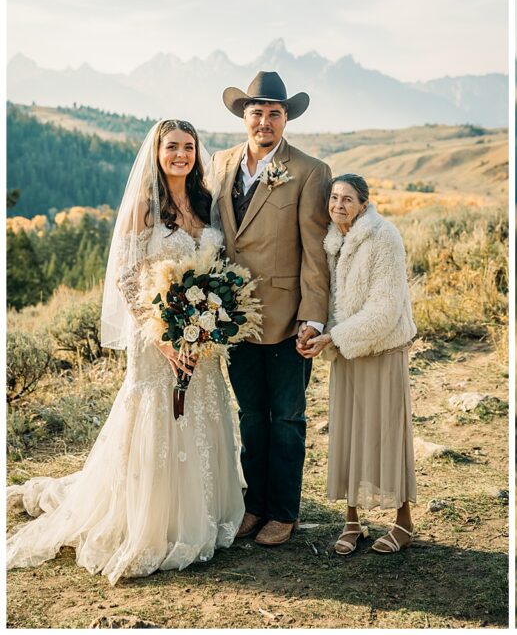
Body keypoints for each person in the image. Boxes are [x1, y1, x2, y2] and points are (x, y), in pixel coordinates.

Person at [6, 119, 245, 584]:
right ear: (157, 153)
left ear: (198, 153)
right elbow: (127, 276)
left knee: (203, 411)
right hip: (154, 336)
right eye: (172, 147)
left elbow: (213, 267)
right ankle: (153, 520)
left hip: (200, 336)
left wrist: (204, 326)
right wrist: (164, 335)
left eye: (189, 147)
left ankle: (201, 511)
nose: (181, 155)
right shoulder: (144, 207)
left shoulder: (204, 203)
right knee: (158, 415)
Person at [213, 71, 332, 547]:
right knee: (249, 415)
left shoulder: (309, 170)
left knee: (286, 416)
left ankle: (284, 511)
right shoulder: (220, 163)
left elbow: (316, 251)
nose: (265, 121)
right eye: (257, 112)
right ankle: (254, 506)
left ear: (286, 119)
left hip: (287, 317)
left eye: (274, 113)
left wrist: (314, 316)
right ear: (245, 116)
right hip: (231, 316)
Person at [299, 174, 418, 555]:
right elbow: (331, 300)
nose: (338, 206)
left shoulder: (384, 237)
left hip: (383, 349)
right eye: (333, 198)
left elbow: (386, 307)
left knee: (388, 434)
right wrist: (317, 333)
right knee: (348, 434)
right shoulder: (333, 241)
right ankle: (352, 522)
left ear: (364, 204)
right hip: (348, 353)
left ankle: (403, 523)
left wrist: (335, 337)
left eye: (347, 199)